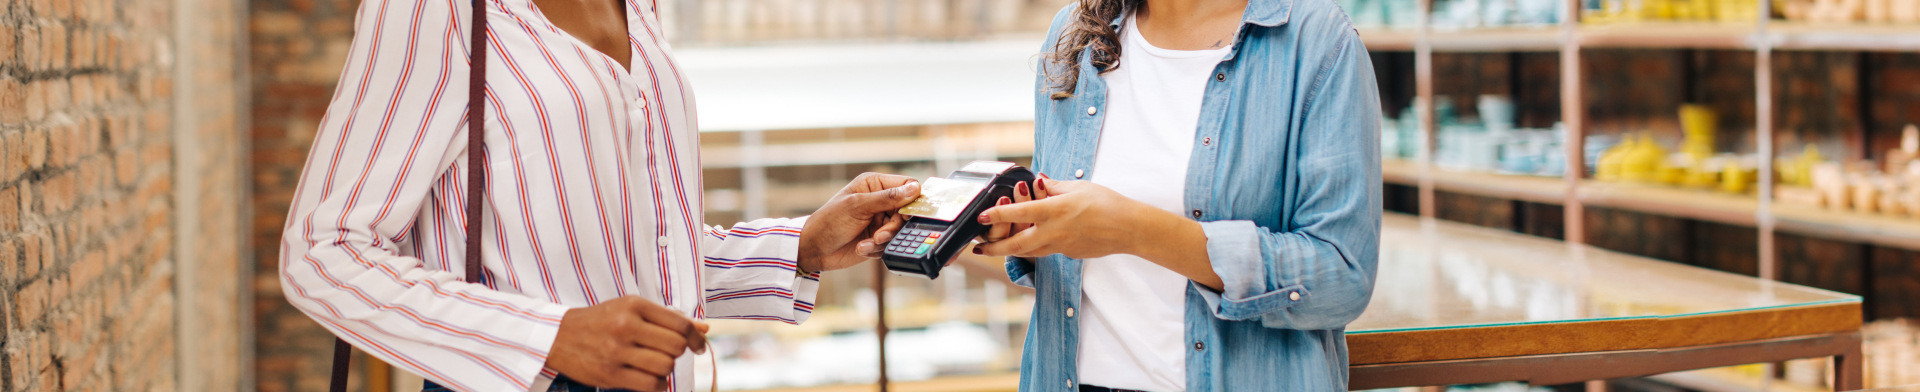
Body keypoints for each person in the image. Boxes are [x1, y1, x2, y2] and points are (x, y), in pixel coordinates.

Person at [277, 1, 920, 391]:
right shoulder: (436, 9)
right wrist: (548, 338)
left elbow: (633, 255)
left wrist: (801, 245)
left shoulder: (636, 5)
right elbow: (321, 251)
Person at [972, 0, 1383, 390]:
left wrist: (1134, 230)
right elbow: (1065, 239)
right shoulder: (1073, 33)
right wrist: (1024, 230)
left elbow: (1343, 277)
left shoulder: (1317, 39)